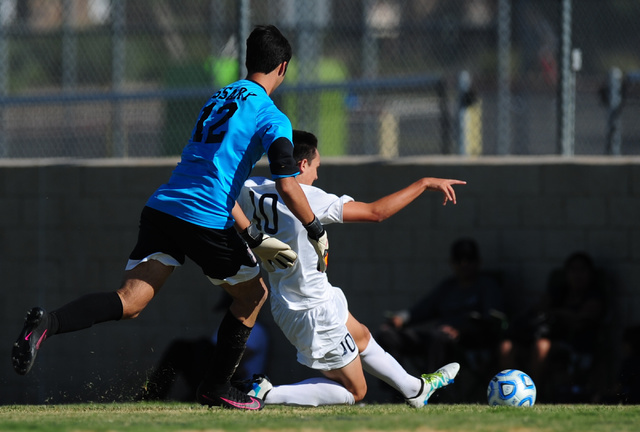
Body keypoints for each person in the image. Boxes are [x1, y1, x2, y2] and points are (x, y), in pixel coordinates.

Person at [11, 25, 329, 411]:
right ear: (282, 67)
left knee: (131, 301)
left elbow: (210, 173)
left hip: (164, 206)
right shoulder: (271, 115)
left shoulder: (217, 98)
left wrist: (251, 235)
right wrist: (315, 227)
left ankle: (48, 323)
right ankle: (216, 386)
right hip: (204, 216)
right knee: (254, 294)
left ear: (249, 62)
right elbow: (287, 184)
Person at [235, 130, 465, 407]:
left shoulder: (253, 188)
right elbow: (375, 212)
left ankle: (415, 389)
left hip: (295, 300)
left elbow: (223, 192)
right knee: (357, 392)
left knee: (362, 336)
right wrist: (424, 183)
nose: (317, 175)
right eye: (317, 167)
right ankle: (266, 394)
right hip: (312, 309)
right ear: (303, 165)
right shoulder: (308, 197)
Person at [376, 238, 506, 400]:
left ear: (478, 262)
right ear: (452, 263)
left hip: (467, 342)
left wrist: (461, 330)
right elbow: (422, 309)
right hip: (435, 337)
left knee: (438, 337)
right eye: (459, 260)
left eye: (469, 260)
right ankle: (397, 392)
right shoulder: (448, 287)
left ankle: (431, 392)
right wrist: (400, 319)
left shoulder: (487, 285)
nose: (463, 264)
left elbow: (493, 320)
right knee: (389, 336)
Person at [499, 252, 607, 402]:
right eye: (573, 270)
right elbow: (538, 310)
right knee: (507, 346)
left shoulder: (594, 296)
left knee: (541, 346)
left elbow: (583, 318)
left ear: (590, 274)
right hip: (541, 335)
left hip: (574, 343)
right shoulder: (558, 293)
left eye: (582, 270)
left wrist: (558, 314)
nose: (577, 275)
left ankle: (532, 395)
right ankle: (508, 394)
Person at [139, 294, 269, 402]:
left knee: (203, 347)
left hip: (237, 384)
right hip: (216, 375)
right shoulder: (225, 329)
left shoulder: (255, 330)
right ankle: (153, 395)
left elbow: (232, 361)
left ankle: (202, 393)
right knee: (180, 348)